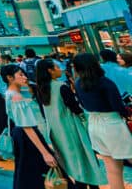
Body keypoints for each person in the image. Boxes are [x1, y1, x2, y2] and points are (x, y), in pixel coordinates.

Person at [34, 58, 107, 189]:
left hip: (56, 132)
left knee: (72, 162)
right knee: (84, 160)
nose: (60, 69)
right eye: (56, 67)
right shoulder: (61, 87)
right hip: (71, 127)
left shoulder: (41, 89)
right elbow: (75, 108)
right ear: (49, 71)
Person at [73, 52, 132, 189]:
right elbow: (118, 107)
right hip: (112, 124)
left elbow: (81, 103)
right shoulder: (105, 83)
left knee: (112, 168)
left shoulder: (78, 84)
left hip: (94, 124)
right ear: (95, 64)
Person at [2, 64, 56, 189]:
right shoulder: (17, 96)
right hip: (27, 136)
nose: (25, 77)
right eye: (20, 75)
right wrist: (45, 153)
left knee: (27, 172)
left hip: (19, 135)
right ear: (10, 78)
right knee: (43, 168)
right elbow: (27, 127)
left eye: (24, 74)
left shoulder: (9, 93)